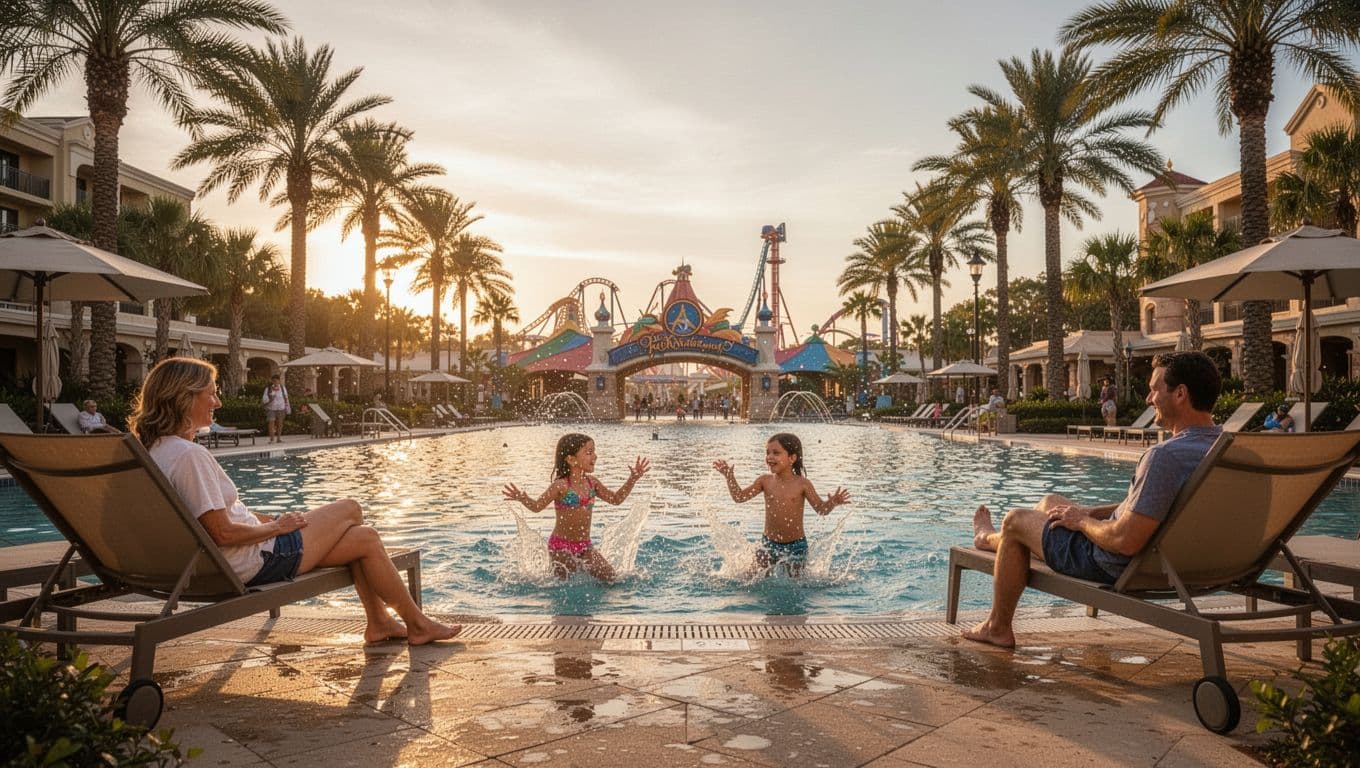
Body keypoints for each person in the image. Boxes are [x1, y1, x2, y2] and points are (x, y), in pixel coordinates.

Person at [130, 357, 459, 645]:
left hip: (216, 562)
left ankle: (382, 623)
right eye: (211, 393)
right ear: (184, 398)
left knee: (365, 539)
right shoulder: (190, 457)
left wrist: (268, 521)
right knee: (351, 509)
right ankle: (414, 623)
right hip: (252, 562)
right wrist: (277, 527)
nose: (217, 402)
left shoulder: (155, 451)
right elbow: (223, 534)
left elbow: (215, 518)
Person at [964, 351, 1222, 649]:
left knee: (1015, 520)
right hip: (1194, 561)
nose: (1149, 399)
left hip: (1112, 561)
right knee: (1049, 502)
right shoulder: (1223, 449)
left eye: (1154, 389)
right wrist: (1091, 512)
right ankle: (999, 539)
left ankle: (997, 623)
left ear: (1180, 394)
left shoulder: (1165, 457)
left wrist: (1083, 522)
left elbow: (1125, 541)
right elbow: (1167, 506)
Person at [502, 433, 650, 582]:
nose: (595, 456)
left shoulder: (592, 483)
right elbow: (537, 507)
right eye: (589, 452)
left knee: (611, 578)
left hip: (585, 546)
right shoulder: (561, 485)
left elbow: (616, 499)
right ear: (571, 459)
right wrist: (523, 498)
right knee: (565, 584)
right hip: (561, 547)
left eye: (594, 451)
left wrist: (632, 479)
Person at [712, 433, 851, 576]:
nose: (770, 457)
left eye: (776, 453)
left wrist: (832, 502)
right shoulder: (764, 481)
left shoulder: (802, 484)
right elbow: (739, 497)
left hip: (796, 546)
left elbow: (821, 510)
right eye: (768, 453)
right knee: (750, 577)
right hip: (768, 544)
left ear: (792, 458)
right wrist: (729, 477)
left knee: (797, 585)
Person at [261, 374, 290, 444]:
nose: (275, 382)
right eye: (274, 381)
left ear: (279, 381)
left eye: (277, 381)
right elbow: (264, 398)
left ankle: (278, 438)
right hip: (271, 408)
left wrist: (288, 407)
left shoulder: (283, 388)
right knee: (271, 423)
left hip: (281, 407)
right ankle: (272, 439)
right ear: (272, 381)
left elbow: (286, 398)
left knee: (280, 423)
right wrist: (270, 398)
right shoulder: (268, 389)